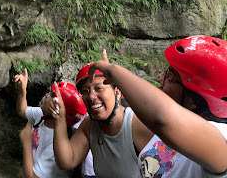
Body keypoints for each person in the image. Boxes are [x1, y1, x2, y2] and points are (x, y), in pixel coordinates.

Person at [84, 35, 227, 177]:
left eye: (169, 78)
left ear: (193, 100)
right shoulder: (160, 136)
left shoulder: (221, 138)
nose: (160, 80)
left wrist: (116, 73)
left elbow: (162, 120)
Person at [49, 50, 154, 178]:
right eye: (85, 91)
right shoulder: (89, 125)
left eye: (99, 88)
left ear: (118, 92)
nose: (91, 96)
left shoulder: (135, 124)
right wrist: (59, 119)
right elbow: (67, 161)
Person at [15, 68, 87, 178]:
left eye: (52, 95)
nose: (47, 94)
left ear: (57, 109)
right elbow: (22, 110)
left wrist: (26, 144)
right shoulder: (42, 115)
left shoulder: (57, 144)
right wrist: (22, 91)